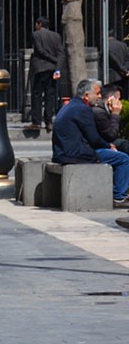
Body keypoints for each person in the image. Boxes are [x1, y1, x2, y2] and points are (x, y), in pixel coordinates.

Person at [52, 77, 129, 207]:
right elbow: (95, 139)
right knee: (123, 159)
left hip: (64, 152)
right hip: (75, 155)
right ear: (87, 96)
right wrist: (109, 146)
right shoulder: (83, 109)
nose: (99, 97)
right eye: (97, 93)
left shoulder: (72, 105)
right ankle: (119, 197)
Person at [25, 16, 66, 135]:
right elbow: (61, 53)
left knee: (37, 94)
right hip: (52, 70)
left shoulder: (36, 34)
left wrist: (52, 59)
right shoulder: (56, 36)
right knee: (50, 95)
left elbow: (40, 50)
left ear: (39, 24)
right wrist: (57, 66)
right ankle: (49, 121)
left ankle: (36, 121)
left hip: (40, 68)